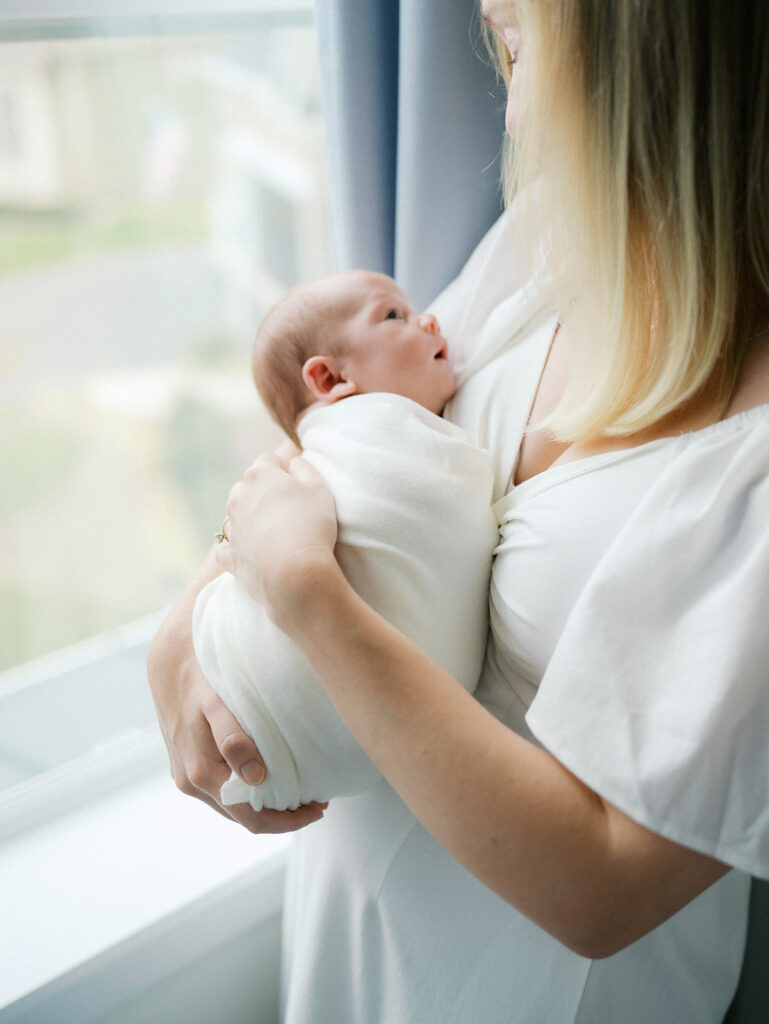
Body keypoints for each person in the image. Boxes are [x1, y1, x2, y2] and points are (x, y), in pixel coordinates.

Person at [147, 0, 769, 1020]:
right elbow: (347, 443)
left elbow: (602, 883)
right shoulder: (555, 242)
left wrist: (309, 601)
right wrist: (180, 633)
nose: (484, 7)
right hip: (361, 942)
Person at [192, 269, 497, 812]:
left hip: (366, 730)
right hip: (270, 674)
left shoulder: (362, 442)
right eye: (394, 315)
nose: (429, 319)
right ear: (331, 380)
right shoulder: (349, 438)